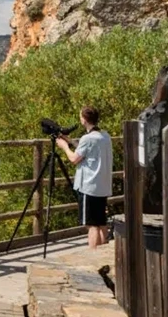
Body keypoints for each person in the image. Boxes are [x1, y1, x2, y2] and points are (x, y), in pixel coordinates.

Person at [56, 105, 113, 249]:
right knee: (101, 223)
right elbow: (88, 150)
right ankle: (103, 256)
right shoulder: (105, 136)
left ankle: (92, 257)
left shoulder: (87, 139)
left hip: (89, 187)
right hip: (102, 185)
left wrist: (64, 147)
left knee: (92, 226)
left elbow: (74, 159)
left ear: (84, 119)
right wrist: (69, 140)